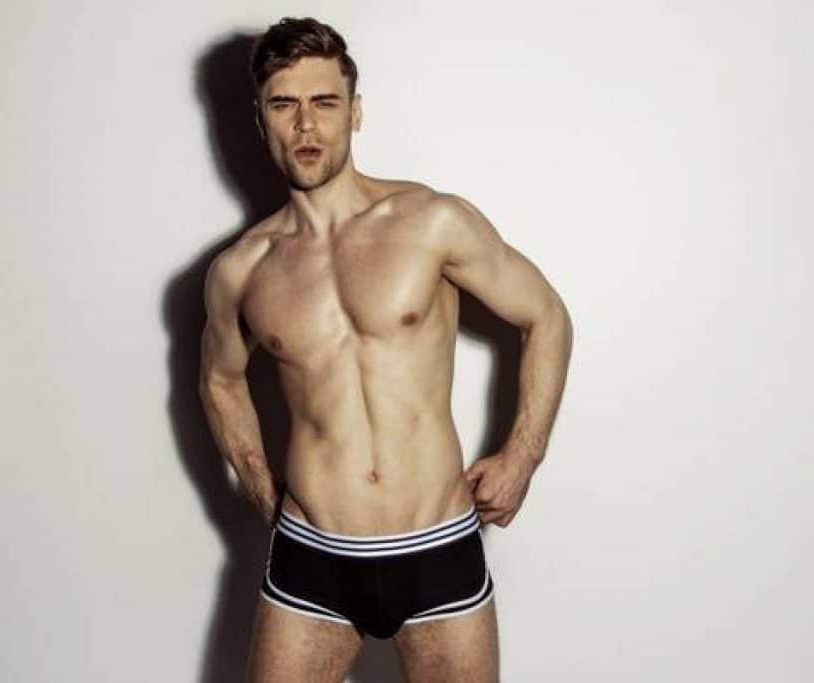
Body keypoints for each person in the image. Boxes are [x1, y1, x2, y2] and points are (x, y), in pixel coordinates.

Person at [199, 16, 573, 682]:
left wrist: (524, 455)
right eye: (283, 105)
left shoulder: (432, 221)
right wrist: (259, 484)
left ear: (356, 112)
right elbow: (220, 380)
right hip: (311, 555)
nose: (306, 124)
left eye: (324, 102)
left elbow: (545, 314)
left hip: (437, 546)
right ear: (260, 119)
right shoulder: (243, 269)